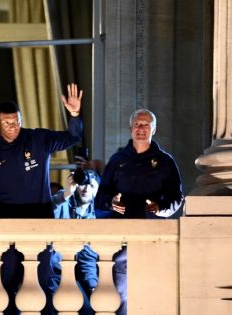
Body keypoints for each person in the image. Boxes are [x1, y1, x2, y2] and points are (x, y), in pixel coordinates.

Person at [0, 83, 84, 314]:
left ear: (21, 120)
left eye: (15, 121)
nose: (12, 127)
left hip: (40, 219)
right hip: (5, 221)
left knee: (42, 280)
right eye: (6, 123)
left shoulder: (38, 139)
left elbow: (73, 137)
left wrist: (74, 114)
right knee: (7, 279)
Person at [99, 108, 185, 315]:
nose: (141, 128)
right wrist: (110, 202)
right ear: (131, 128)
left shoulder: (165, 161)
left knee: (154, 297)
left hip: (154, 239)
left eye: (146, 125)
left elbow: (177, 197)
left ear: (153, 130)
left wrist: (161, 208)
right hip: (121, 243)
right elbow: (100, 198)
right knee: (120, 299)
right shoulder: (117, 160)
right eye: (137, 124)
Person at [51, 169, 102, 315]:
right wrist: (66, 193)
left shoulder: (91, 216)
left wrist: (93, 287)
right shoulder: (64, 200)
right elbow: (48, 210)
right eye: (83, 184)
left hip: (71, 274)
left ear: (97, 190)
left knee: (89, 309)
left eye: (91, 186)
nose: (86, 189)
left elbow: (88, 258)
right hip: (52, 271)